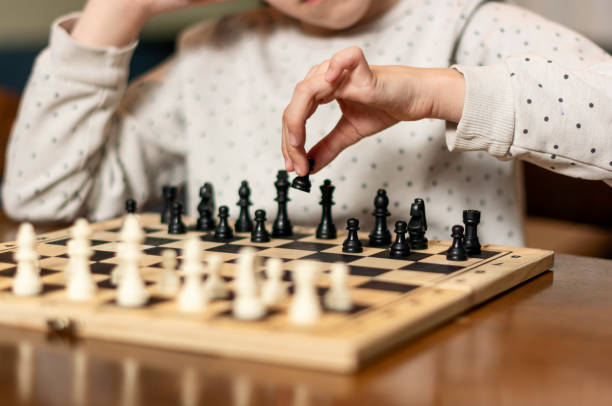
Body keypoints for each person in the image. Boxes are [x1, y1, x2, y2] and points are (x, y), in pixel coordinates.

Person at [2, 0, 610, 246]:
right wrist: (120, 8)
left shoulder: (468, 23)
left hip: (448, 352)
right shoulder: (212, 55)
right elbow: (42, 197)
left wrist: (434, 93)